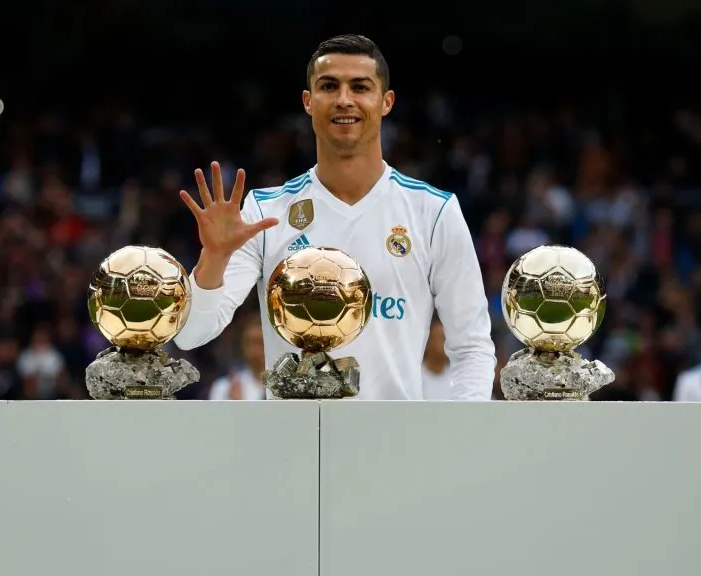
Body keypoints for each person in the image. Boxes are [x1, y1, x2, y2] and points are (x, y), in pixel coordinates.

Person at [174, 34, 495, 400]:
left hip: (394, 449)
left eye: (360, 87)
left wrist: (464, 446)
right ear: (308, 102)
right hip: (291, 448)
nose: (345, 99)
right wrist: (214, 258)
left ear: (385, 102)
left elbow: (471, 347)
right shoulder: (265, 212)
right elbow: (191, 334)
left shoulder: (433, 211)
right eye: (329, 86)